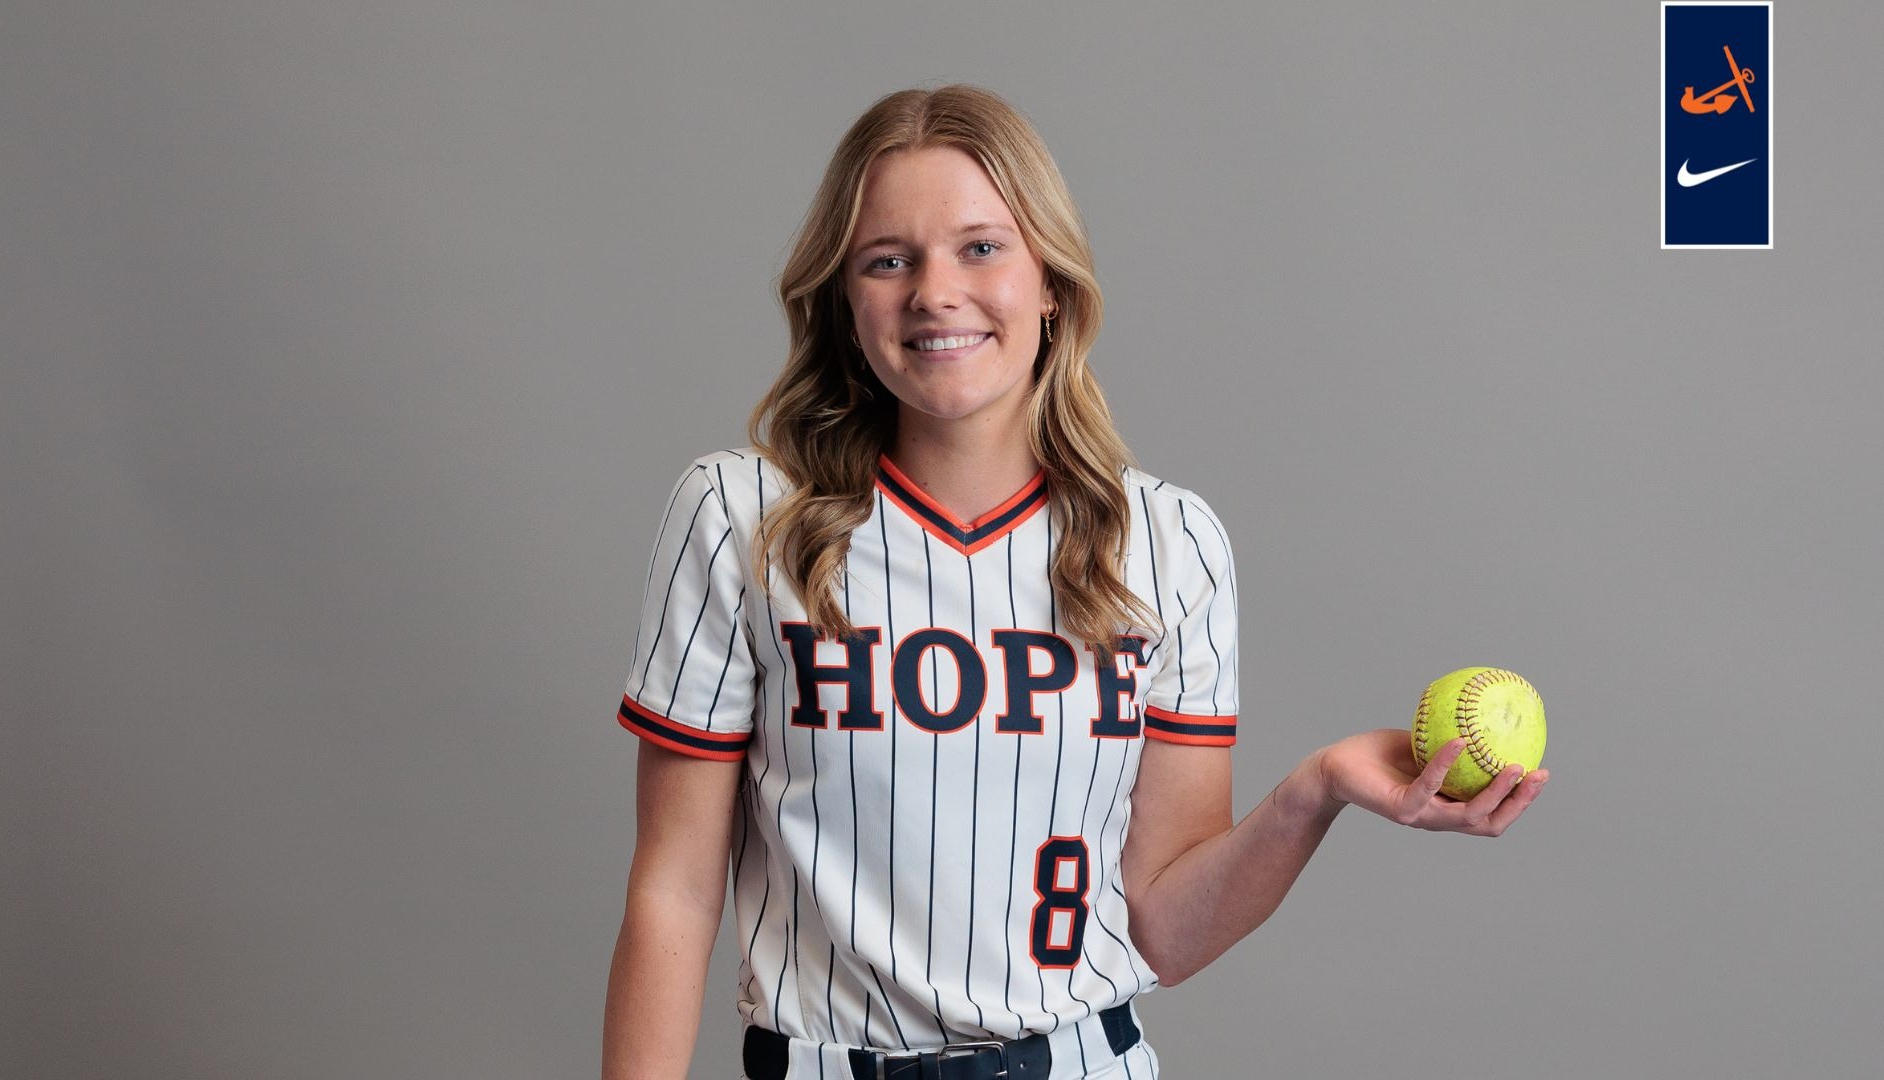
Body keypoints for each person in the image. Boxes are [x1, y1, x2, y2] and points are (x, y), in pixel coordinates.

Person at [601, 84, 1547, 1080]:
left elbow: (1164, 930)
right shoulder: (743, 516)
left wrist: (1315, 792)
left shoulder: (1169, 541)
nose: (935, 292)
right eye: (889, 260)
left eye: (981, 247)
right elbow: (673, 894)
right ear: (845, 298)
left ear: (1050, 281)